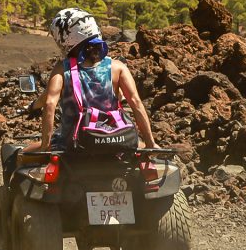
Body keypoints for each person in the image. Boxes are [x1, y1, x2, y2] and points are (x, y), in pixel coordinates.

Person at [25, 8, 157, 153]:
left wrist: (45, 145)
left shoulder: (63, 68)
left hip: (73, 145)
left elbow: (49, 103)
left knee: (21, 154)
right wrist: (151, 143)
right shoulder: (117, 67)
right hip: (115, 140)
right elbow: (136, 102)